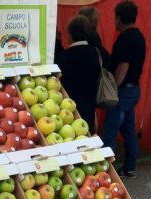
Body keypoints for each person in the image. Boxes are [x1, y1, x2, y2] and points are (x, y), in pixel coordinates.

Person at [100, 1, 146, 178]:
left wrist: (112, 88)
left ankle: (107, 173)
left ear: (119, 18)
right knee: (128, 130)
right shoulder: (139, 36)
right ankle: (129, 168)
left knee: (110, 131)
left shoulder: (126, 38)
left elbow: (123, 66)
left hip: (123, 91)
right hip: (133, 89)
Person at [57, 16, 102, 133]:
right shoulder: (95, 53)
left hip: (68, 110)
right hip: (89, 107)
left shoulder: (64, 56)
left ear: (70, 34)